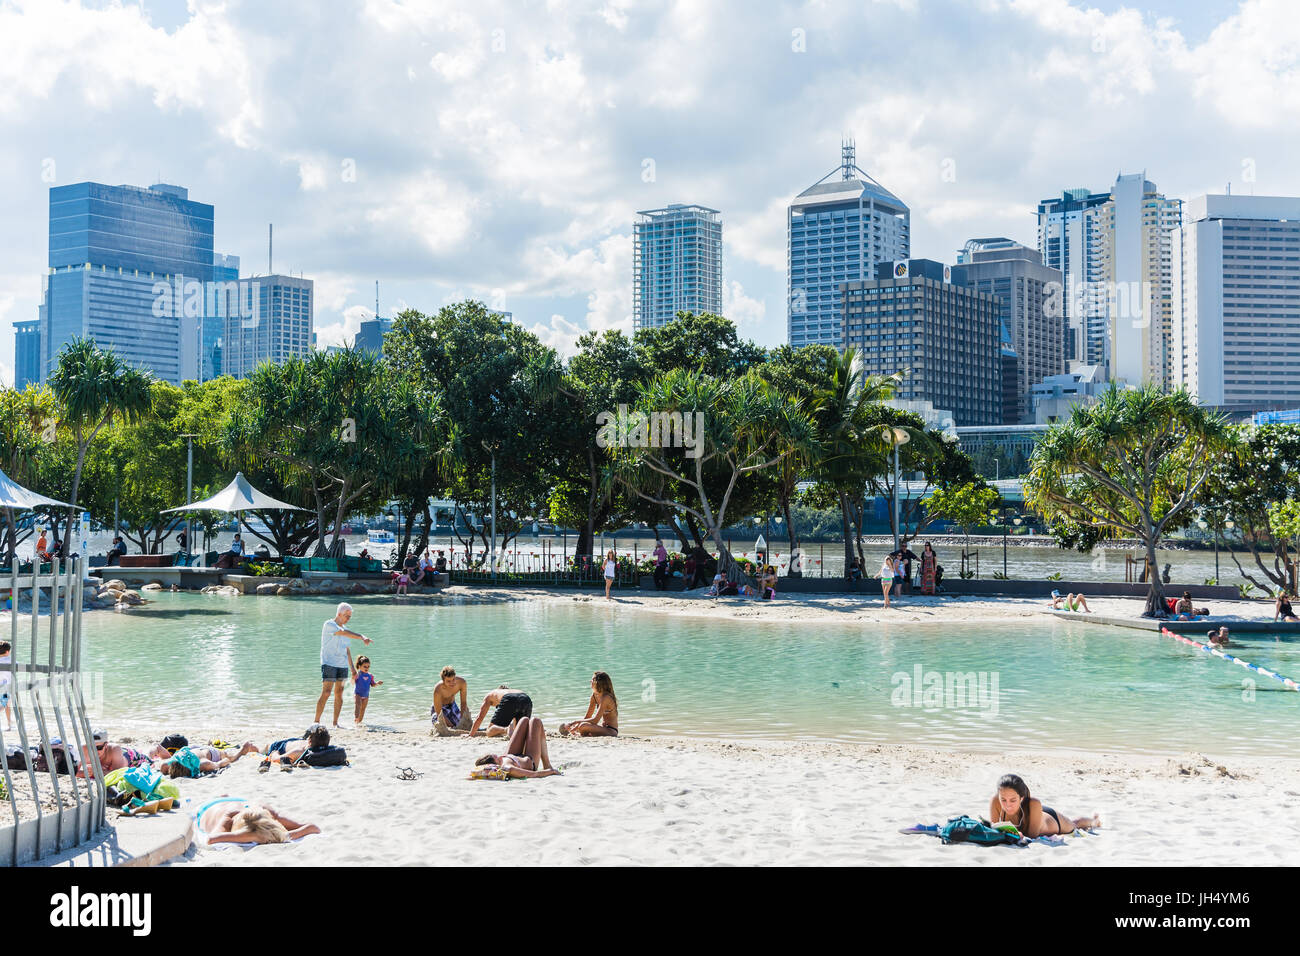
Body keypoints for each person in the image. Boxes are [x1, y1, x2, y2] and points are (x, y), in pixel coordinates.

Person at [315, 602, 373, 727]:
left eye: (350, 616)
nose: (348, 618)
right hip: (329, 663)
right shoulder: (329, 624)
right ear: (339, 614)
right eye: (347, 615)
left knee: (339, 694)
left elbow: (347, 651)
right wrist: (362, 637)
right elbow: (343, 633)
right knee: (326, 692)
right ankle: (316, 722)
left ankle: (335, 723)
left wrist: (353, 670)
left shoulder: (346, 630)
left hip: (342, 666)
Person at [989, 773, 1099, 838]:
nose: (1008, 805)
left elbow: (1031, 836)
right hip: (1033, 814)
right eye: (1003, 799)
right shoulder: (995, 801)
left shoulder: (1034, 803)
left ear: (1021, 798)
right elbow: (995, 829)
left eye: (1013, 800)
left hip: (1054, 821)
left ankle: (1095, 821)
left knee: (1076, 824)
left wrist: (1016, 834)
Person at [197, 798, 320, 845]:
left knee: (269, 811)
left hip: (248, 804)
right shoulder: (228, 819)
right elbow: (211, 839)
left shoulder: (267, 813)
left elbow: (313, 827)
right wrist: (248, 835)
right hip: (212, 805)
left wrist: (282, 835)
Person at [469, 716, 560, 779]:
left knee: (524, 720)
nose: (498, 756)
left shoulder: (501, 759)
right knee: (535, 721)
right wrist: (551, 771)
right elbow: (533, 774)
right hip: (529, 760)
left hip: (513, 755)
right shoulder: (508, 768)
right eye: (495, 757)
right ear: (494, 764)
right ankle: (547, 764)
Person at [560, 671, 619, 737]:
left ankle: (583, 733)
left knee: (583, 726)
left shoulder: (606, 698)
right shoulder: (594, 696)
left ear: (598, 683)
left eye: (592, 680)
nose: (590, 681)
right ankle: (581, 733)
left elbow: (595, 720)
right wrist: (576, 727)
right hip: (603, 728)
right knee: (582, 725)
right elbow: (588, 717)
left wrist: (575, 722)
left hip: (611, 731)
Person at [467, 685, 533, 738]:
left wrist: (471, 734)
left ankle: (506, 729)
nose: (497, 707)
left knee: (489, 731)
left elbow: (480, 717)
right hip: (526, 698)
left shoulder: (490, 694)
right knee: (519, 730)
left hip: (509, 699)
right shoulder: (512, 691)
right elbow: (513, 711)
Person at [432, 665, 471, 735]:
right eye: (448, 681)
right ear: (443, 680)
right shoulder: (438, 689)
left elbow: (463, 702)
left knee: (463, 725)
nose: (452, 683)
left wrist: (462, 720)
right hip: (440, 708)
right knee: (443, 729)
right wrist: (451, 726)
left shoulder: (462, 683)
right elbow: (438, 712)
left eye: (453, 679)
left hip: (452, 706)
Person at [351, 655, 382, 726]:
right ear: (359, 666)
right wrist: (353, 678)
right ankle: (356, 718)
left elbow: (372, 684)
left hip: (366, 696)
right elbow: (352, 683)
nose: (367, 668)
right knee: (358, 705)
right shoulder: (358, 674)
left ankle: (359, 723)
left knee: (363, 709)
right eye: (365, 666)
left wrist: (377, 683)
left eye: (368, 667)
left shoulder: (370, 675)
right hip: (358, 694)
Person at [0, 640, 10, 731]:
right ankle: (9, 724)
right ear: (7, 652)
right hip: (5, 687)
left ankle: (9, 724)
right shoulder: (9, 660)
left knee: (6, 704)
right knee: (6, 705)